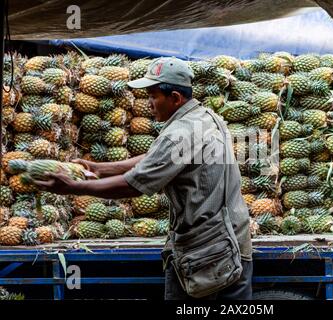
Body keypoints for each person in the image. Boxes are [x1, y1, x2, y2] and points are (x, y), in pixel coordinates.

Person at [34, 57, 253, 300]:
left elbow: (133, 185)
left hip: (207, 254)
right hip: (233, 246)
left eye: (153, 96)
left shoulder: (179, 133)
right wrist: (99, 168)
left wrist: (75, 187)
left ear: (176, 98)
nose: (148, 103)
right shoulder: (206, 117)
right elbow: (155, 158)